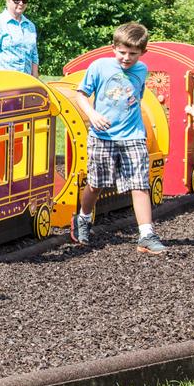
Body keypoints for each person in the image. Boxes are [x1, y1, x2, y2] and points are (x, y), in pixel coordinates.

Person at [66, 22, 166, 254]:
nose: (127, 58)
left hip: (133, 136)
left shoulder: (141, 70)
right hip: (103, 136)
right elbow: (81, 94)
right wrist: (92, 114)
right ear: (114, 48)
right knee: (97, 183)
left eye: (133, 54)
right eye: (122, 52)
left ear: (143, 53)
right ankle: (82, 217)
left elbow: (136, 99)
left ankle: (146, 235)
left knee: (140, 184)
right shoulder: (100, 67)